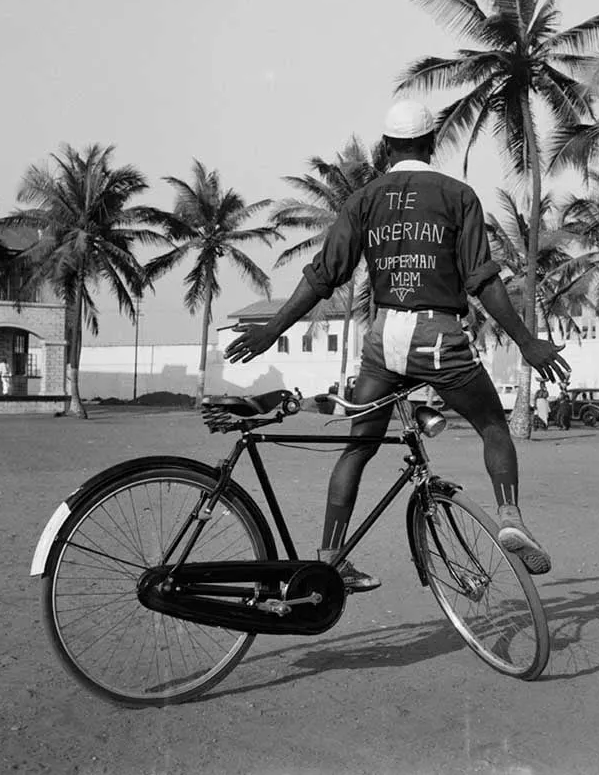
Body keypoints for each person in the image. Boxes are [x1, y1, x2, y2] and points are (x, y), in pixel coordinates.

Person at [226, 100, 570, 591]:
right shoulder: (458, 195)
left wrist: (272, 330)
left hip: (383, 339)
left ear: (386, 148)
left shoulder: (364, 198)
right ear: (432, 143)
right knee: (493, 425)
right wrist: (526, 342)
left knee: (357, 449)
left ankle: (331, 558)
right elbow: (482, 280)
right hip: (438, 338)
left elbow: (323, 277)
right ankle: (510, 516)